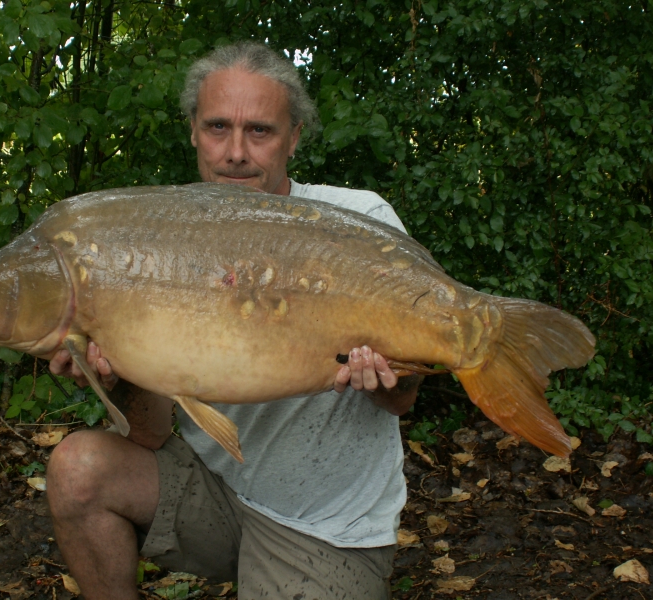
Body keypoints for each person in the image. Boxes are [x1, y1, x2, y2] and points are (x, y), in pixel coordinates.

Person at [46, 42, 422, 600]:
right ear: (194, 131)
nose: (235, 152)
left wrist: (390, 374)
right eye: (218, 127)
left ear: (293, 137)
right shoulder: (157, 240)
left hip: (324, 526)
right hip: (219, 492)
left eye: (260, 131)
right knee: (78, 468)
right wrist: (113, 369)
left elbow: (402, 401)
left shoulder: (358, 222)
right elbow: (149, 432)